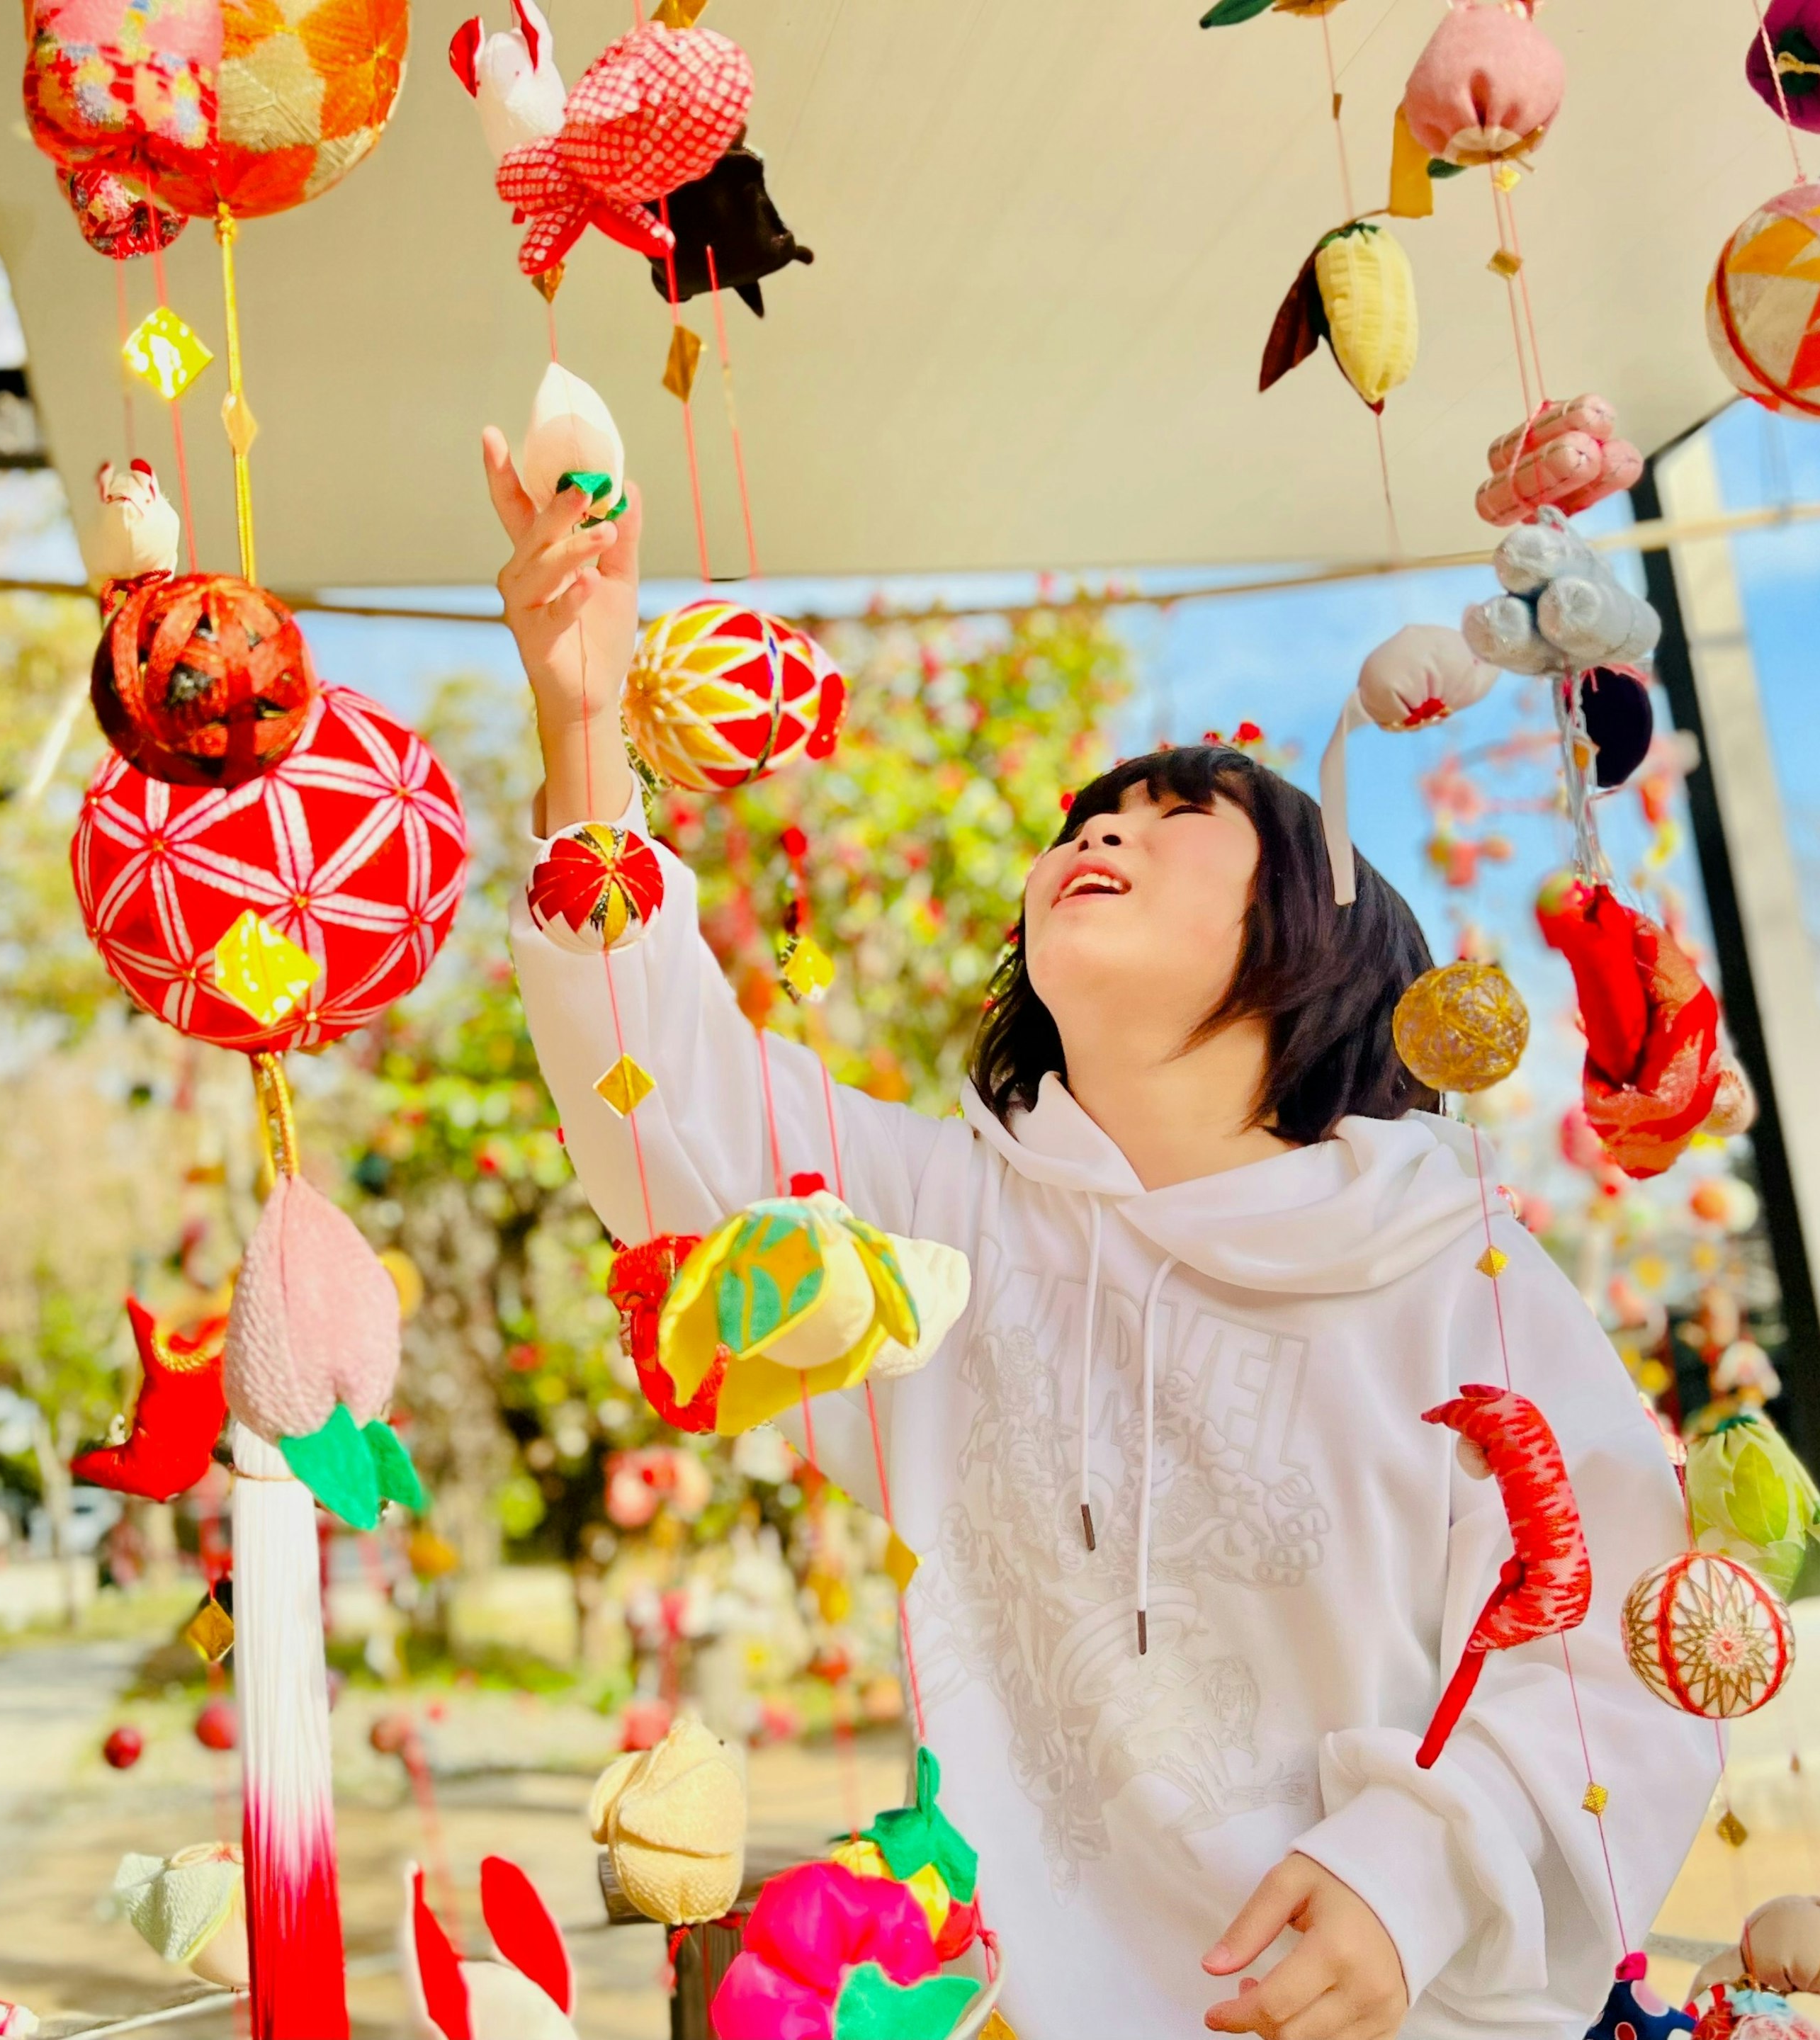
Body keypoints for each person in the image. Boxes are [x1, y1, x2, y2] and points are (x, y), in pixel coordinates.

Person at [485, 441, 1718, 2040]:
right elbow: (675, 1119)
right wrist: (587, 732)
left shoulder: (1446, 1258)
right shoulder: (941, 1233)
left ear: (1328, 923)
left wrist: (1419, 1872)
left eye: (1179, 808)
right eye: (1094, 809)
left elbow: (1628, 1639)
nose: (1106, 825)